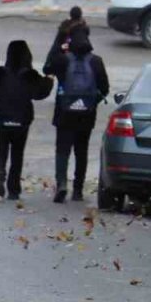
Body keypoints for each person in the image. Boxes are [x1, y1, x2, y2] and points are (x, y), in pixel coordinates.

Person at [45, 30, 109, 203]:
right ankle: (78, 190)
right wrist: (90, 102)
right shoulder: (96, 61)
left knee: (62, 149)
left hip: (64, 112)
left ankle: (61, 185)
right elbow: (105, 88)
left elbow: (47, 68)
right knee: (81, 151)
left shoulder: (63, 59)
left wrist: (59, 49)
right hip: (86, 114)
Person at [0, 40, 54, 201]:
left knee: (0, 151)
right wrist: (50, 80)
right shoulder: (30, 76)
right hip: (22, 119)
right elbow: (40, 93)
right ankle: (14, 188)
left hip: (3, 117)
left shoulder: (0, 73)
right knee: (17, 154)